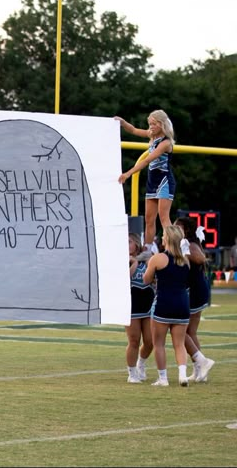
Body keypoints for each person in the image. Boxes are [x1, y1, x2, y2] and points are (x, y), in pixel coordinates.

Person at [116, 110, 176, 254]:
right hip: (152, 182)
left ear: (162, 124)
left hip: (164, 181)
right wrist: (123, 123)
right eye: (149, 124)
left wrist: (128, 173)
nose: (151, 127)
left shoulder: (166, 142)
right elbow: (134, 130)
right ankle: (148, 249)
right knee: (149, 219)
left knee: (164, 217)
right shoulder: (152, 136)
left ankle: (173, 248)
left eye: (154, 124)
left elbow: (148, 159)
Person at [143, 225, 191, 387]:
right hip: (183, 305)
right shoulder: (186, 260)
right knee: (179, 343)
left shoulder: (157, 258)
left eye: (163, 236)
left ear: (168, 239)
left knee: (159, 344)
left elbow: (146, 279)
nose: (161, 238)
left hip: (163, 304)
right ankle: (183, 375)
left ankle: (163, 378)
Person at [175, 216, 216, 383]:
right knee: (190, 332)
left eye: (178, 227)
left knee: (184, 331)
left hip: (195, 291)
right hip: (195, 289)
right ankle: (199, 369)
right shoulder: (184, 244)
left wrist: (185, 252)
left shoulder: (190, 244)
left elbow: (200, 258)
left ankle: (201, 364)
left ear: (186, 230)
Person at [126, 233, 154, 383]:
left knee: (150, 341)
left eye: (129, 241)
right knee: (134, 340)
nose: (126, 244)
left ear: (136, 244)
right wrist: (134, 264)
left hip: (148, 305)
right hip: (131, 306)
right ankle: (132, 374)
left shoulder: (147, 259)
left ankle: (141, 364)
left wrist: (146, 261)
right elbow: (124, 279)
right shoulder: (121, 261)